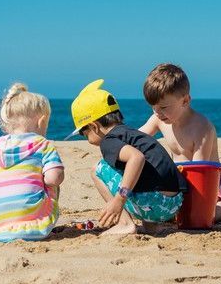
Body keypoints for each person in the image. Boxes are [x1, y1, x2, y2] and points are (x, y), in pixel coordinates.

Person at [67, 79, 186, 236]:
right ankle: (151, 226)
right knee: (135, 172)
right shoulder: (133, 134)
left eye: (84, 133)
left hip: (154, 203)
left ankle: (125, 223)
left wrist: (119, 199)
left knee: (98, 169)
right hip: (175, 203)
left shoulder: (108, 142)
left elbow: (136, 158)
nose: (86, 139)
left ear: (94, 126)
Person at [139, 63, 221, 221]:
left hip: (207, 182)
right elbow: (136, 138)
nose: (158, 113)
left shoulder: (201, 128)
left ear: (185, 101)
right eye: (153, 108)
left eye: (164, 107)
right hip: (177, 181)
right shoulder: (159, 119)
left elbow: (199, 172)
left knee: (205, 215)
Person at [0, 83, 64, 241]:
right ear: (42, 122)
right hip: (33, 227)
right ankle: (40, 216)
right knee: (53, 182)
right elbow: (54, 178)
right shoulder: (43, 144)